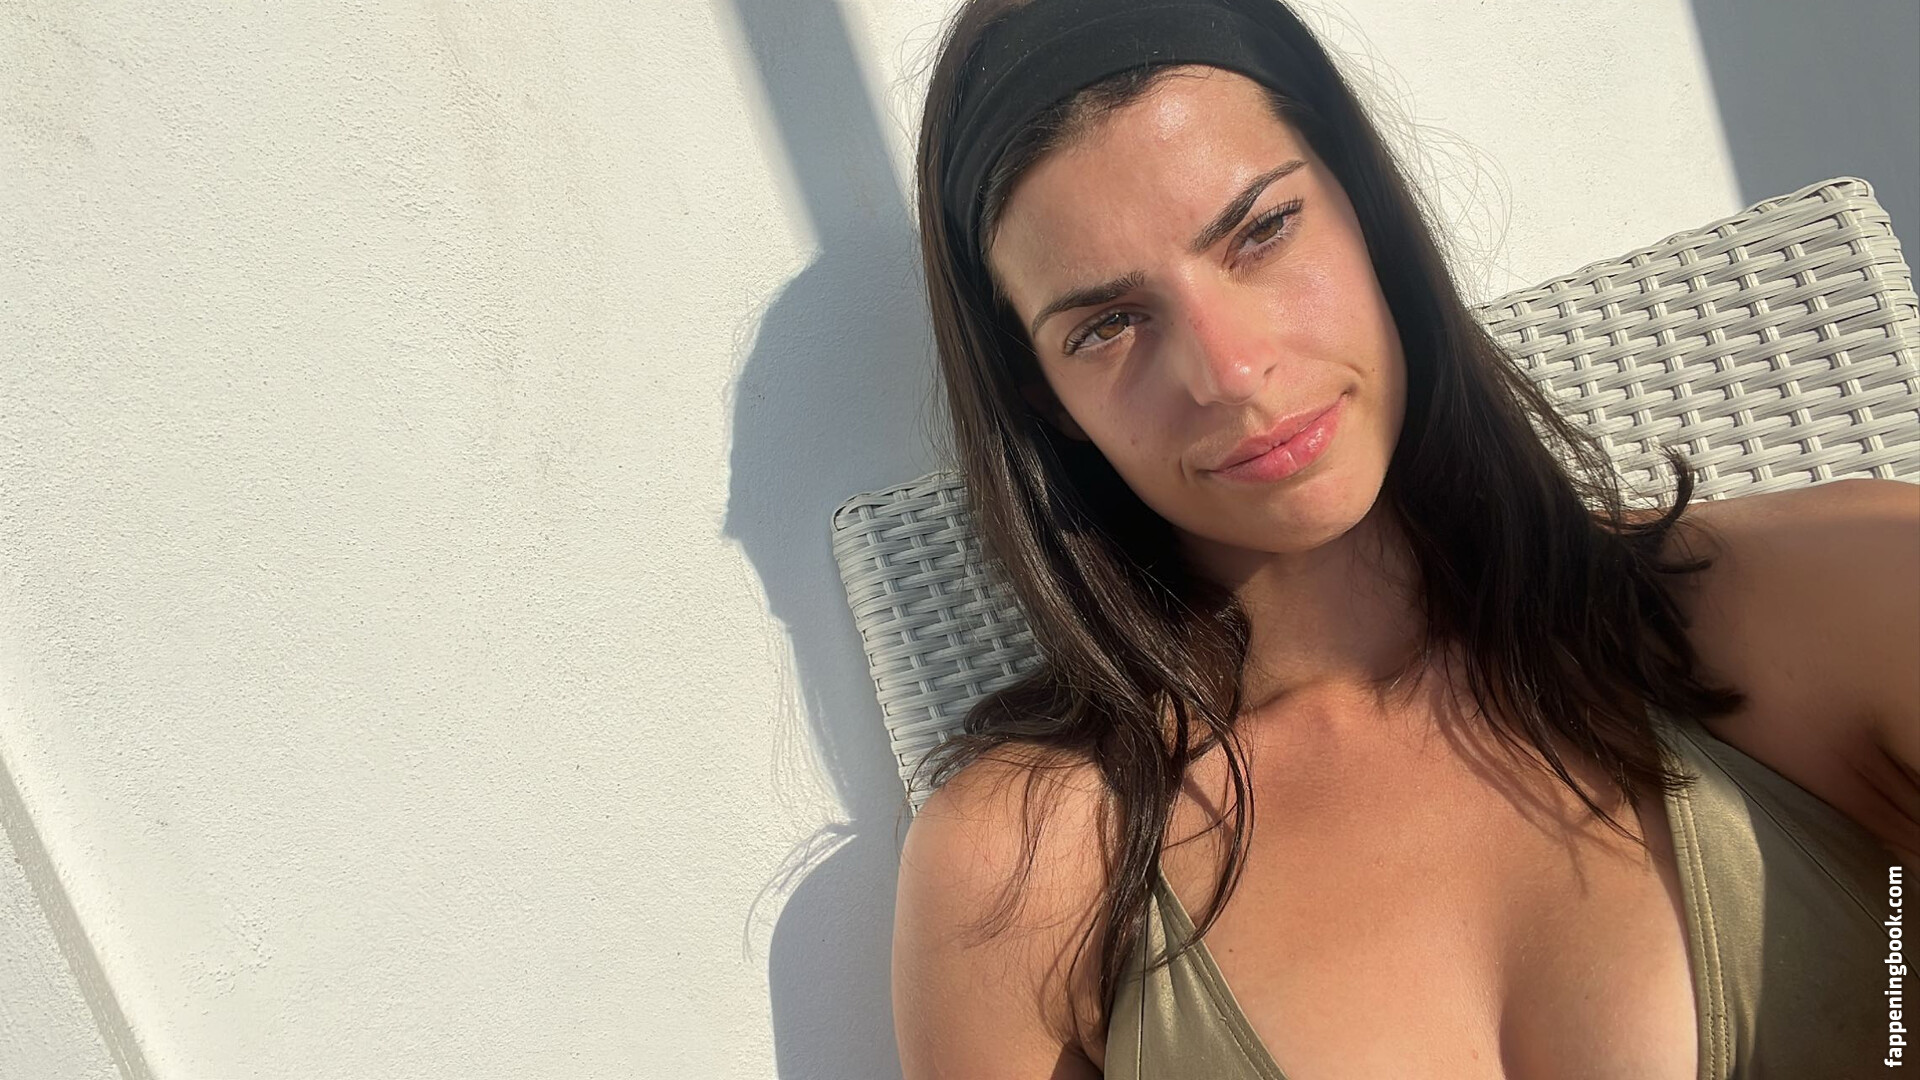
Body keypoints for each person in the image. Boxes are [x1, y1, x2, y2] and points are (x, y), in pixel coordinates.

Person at [888, 0, 1920, 1076]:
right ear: (1046, 398)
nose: (1229, 373)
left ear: (1367, 211)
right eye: (1107, 325)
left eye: (1262, 230)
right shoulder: (1024, 873)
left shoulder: (1833, 595)